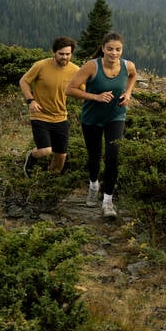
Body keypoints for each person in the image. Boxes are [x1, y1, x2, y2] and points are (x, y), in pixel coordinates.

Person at [66, 31, 137, 219]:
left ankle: (107, 201)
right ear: (103, 48)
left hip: (116, 116)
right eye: (110, 49)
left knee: (112, 157)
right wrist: (95, 97)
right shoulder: (92, 66)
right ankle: (93, 185)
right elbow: (70, 89)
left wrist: (128, 94)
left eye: (118, 49)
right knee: (94, 156)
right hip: (92, 118)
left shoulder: (127, 65)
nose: (114, 53)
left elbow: (133, 76)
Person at [18, 36, 79, 175]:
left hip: (60, 117)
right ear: (53, 52)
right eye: (61, 54)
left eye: (68, 54)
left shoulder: (75, 70)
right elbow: (23, 81)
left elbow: (84, 90)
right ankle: (31, 156)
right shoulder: (40, 65)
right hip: (40, 115)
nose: (65, 57)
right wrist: (31, 101)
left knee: (61, 156)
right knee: (45, 151)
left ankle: (50, 180)